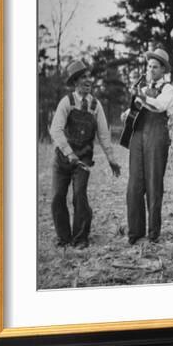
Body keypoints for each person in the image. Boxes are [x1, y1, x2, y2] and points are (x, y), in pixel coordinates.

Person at [49, 60, 121, 249]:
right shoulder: (66, 102)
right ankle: (64, 238)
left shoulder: (96, 106)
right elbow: (55, 130)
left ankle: (80, 238)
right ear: (75, 82)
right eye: (83, 78)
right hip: (63, 159)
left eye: (89, 77)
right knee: (57, 196)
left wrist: (112, 160)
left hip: (84, 160)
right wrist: (69, 153)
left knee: (79, 195)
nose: (88, 81)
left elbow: (104, 135)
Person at [122, 48, 173, 245]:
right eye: (149, 66)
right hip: (138, 138)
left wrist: (142, 98)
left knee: (154, 185)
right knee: (134, 185)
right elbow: (135, 109)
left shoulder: (169, 89)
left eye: (155, 67)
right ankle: (135, 233)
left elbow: (159, 106)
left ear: (163, 70)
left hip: (157, 137)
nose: (151, 70)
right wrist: (126, 113)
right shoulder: (143, 90)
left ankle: (153, 233)